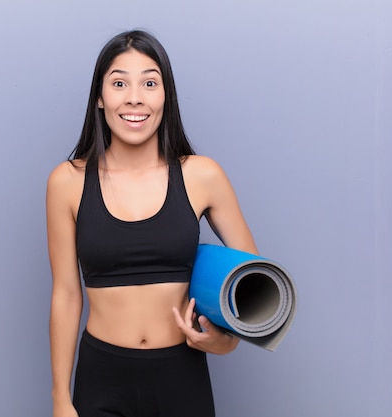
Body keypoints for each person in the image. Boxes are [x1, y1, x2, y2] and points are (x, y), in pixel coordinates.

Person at [46, 29, 258, 417]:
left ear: (165, 97)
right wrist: (61, 398)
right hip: (101, 378)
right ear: (99, 97)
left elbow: (252, 287)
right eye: (119, 83)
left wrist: (225, 342)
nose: (134, 97)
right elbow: (66, 294)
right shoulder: (67, 181)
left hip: (182, 377)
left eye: (149, 82)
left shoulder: (201, 175)